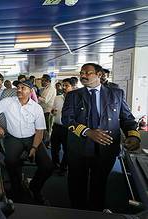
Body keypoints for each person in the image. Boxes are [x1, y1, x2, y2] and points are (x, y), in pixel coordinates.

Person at [62, 63, 141, 211]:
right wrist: (87, 132)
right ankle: (77, 212)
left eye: (87, 72)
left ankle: (96, 211)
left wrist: (134, 136)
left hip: (106, 147)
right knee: (77, 184)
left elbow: (127, 119)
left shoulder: (116, 94)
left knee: (100, 183)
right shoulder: (73, 95)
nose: (83, 75)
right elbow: (67, 119)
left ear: (99, 74)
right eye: (81, 73)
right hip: (79, 147)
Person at [0, 80, 54, 204]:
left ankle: (35, 187)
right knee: (10, 162)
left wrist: (34, 148)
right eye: (18, 87)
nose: (19, 89)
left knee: (48, 166)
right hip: (13, 138)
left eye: (23, 88)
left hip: (32, 138)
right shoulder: (8, 102)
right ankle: (16, 189)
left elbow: (39, 131)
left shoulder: (36, 108)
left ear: (31, 91)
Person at [50, 78, 76, 175]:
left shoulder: (76, 99)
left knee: (67, 149)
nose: (64, 87)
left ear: (73, 87)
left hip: (69, 128)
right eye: (63, 85)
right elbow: (53, 111)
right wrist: (52, 112)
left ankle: (63, 168)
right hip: (57, 127)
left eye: (67, 86)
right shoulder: (57, 98)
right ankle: (55, 165)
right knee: (54, 148)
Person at [38, 74, 56, 145]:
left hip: (48, 111)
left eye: (43, 81)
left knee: (48, 128)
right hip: (43, 110)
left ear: (48, 81)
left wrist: (36, 97)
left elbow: (45, 100)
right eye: (41, 81)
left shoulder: (50, 89)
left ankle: (48, 143)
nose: (41, 82)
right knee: (44, 127)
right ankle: (45, 141)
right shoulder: (44, 89)